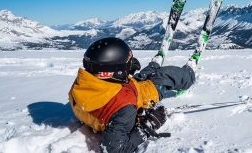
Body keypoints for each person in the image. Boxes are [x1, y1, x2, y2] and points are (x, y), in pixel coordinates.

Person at [68, 37, 196, 152]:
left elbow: (117, 82)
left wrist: (125, 69)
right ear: (114, 72)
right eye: (127, 63)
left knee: (142, 75)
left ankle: (153, 65)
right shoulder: (125, 109)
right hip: (145, 96)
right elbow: (116, 149)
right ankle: (189, 74)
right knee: (166, 74)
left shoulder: (82, 84)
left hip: (121, 88)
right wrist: (147, 126)